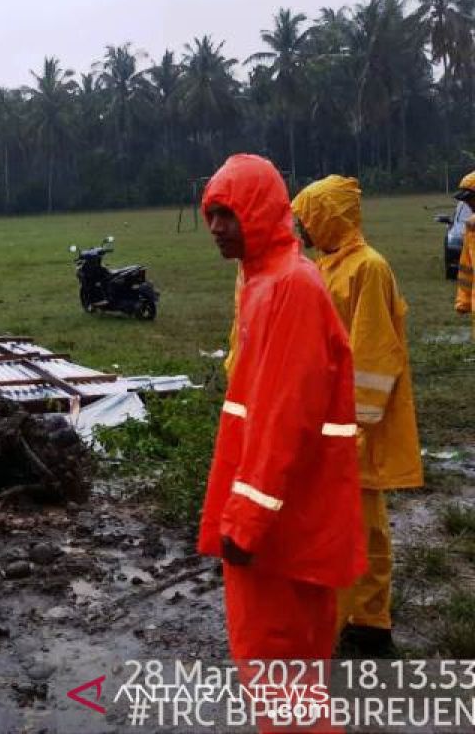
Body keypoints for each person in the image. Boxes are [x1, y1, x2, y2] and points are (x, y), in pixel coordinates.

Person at [198, 156, 366, 674]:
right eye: (212, 215)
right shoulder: (263, 282)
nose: (217, 229)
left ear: (261, 212)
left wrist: (247, 522)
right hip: (281, 521)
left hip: (280, 531)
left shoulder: (289, 288)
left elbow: (283, 421)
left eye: (229, 214)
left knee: (278, 670)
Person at [291, 175, 422, 657]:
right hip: (337, 423)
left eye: (309, 217)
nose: (303, 229)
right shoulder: (330, 266)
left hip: (354, 426)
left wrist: (354, 429)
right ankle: (367, 621)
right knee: (359, 527)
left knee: (354, 530)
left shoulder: (368, 268)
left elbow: (374, 354)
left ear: (329, 217)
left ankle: (350, 627)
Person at [455, 170, 475, 334]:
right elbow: (466, 267)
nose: (468, 204)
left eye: (470, 198)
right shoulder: (471, 227)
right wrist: (464, 301)